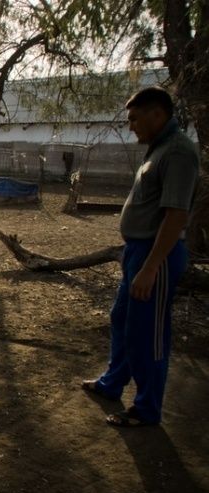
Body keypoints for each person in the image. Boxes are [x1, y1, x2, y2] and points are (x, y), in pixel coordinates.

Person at [81, 87, 199, 427]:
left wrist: (150, 267)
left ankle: (147, 410)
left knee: (149, 334)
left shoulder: (177, 152)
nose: (130, 125)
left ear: (157, 114)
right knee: (122, 320)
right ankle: (112, 383)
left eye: (134, 118)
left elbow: (176, 215)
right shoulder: (157, 151)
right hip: (138, 252)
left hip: (156, 256)